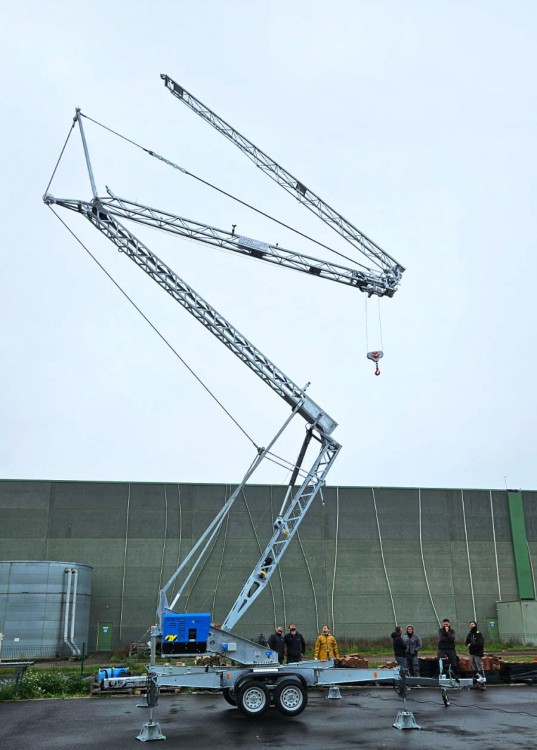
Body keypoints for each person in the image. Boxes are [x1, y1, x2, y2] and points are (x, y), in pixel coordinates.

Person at [465, 620, 486, 690]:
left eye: (472, 624)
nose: (471, 625)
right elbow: (466, 642)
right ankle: (476, 683)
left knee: (479, 668)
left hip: (478, 653)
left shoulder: (478, 633)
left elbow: (480, 643)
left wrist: (471, 644)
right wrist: (467, 644)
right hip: (471, 653)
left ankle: (482, 684)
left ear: (475, 625)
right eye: (470, 624)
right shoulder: (470, 634)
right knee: (474, 668)